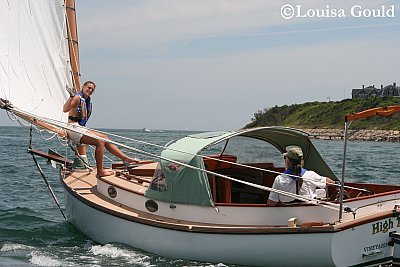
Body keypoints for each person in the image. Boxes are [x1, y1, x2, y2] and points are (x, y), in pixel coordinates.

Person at [63, 81, 137, 177]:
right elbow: (65, 109)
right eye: (88, 88)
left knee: (105, 137)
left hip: (79, 128)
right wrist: (71, 96)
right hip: (72, 128)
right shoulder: (77, 97)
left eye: (92, 89)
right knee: (99, 141)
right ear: (83, 87)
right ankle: (100, 171)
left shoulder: (87, 100)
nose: (90, 90)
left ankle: (125, 158)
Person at [267, 146, 335, 206]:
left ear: (287, 161)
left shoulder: (279, 179)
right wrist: (334, 182)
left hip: (287, 213)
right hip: (308, 211)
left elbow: (271, 202)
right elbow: (329, 182)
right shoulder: (311, 175)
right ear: (301, 161)